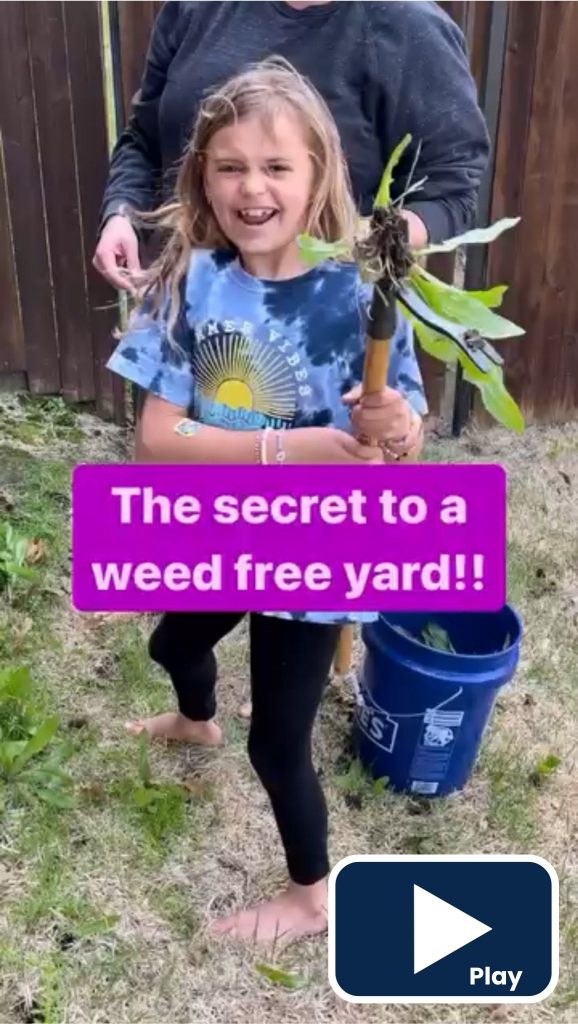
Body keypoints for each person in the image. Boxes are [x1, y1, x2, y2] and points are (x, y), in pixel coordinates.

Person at [105, 57, 426, 943]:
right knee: (173, 641)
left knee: (278, 741)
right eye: (231, 166)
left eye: (277, 166)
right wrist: (292, 449)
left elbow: (400, 450)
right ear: (202, 177)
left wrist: (394, 426)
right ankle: (194, 720)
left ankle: (310, 899)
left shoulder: (360, 293)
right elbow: (158, 438)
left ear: (319, 174)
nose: (253, 188)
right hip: (222, 532)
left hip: (316, 553)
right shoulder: (190, 280)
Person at [93, 0, 489, 293]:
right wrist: (122, 214)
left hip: (325, 330)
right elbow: (144, 139)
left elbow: (450, 189)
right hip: (187, 304)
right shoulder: (194, 8)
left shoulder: (409, 29)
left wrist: (363, 243)